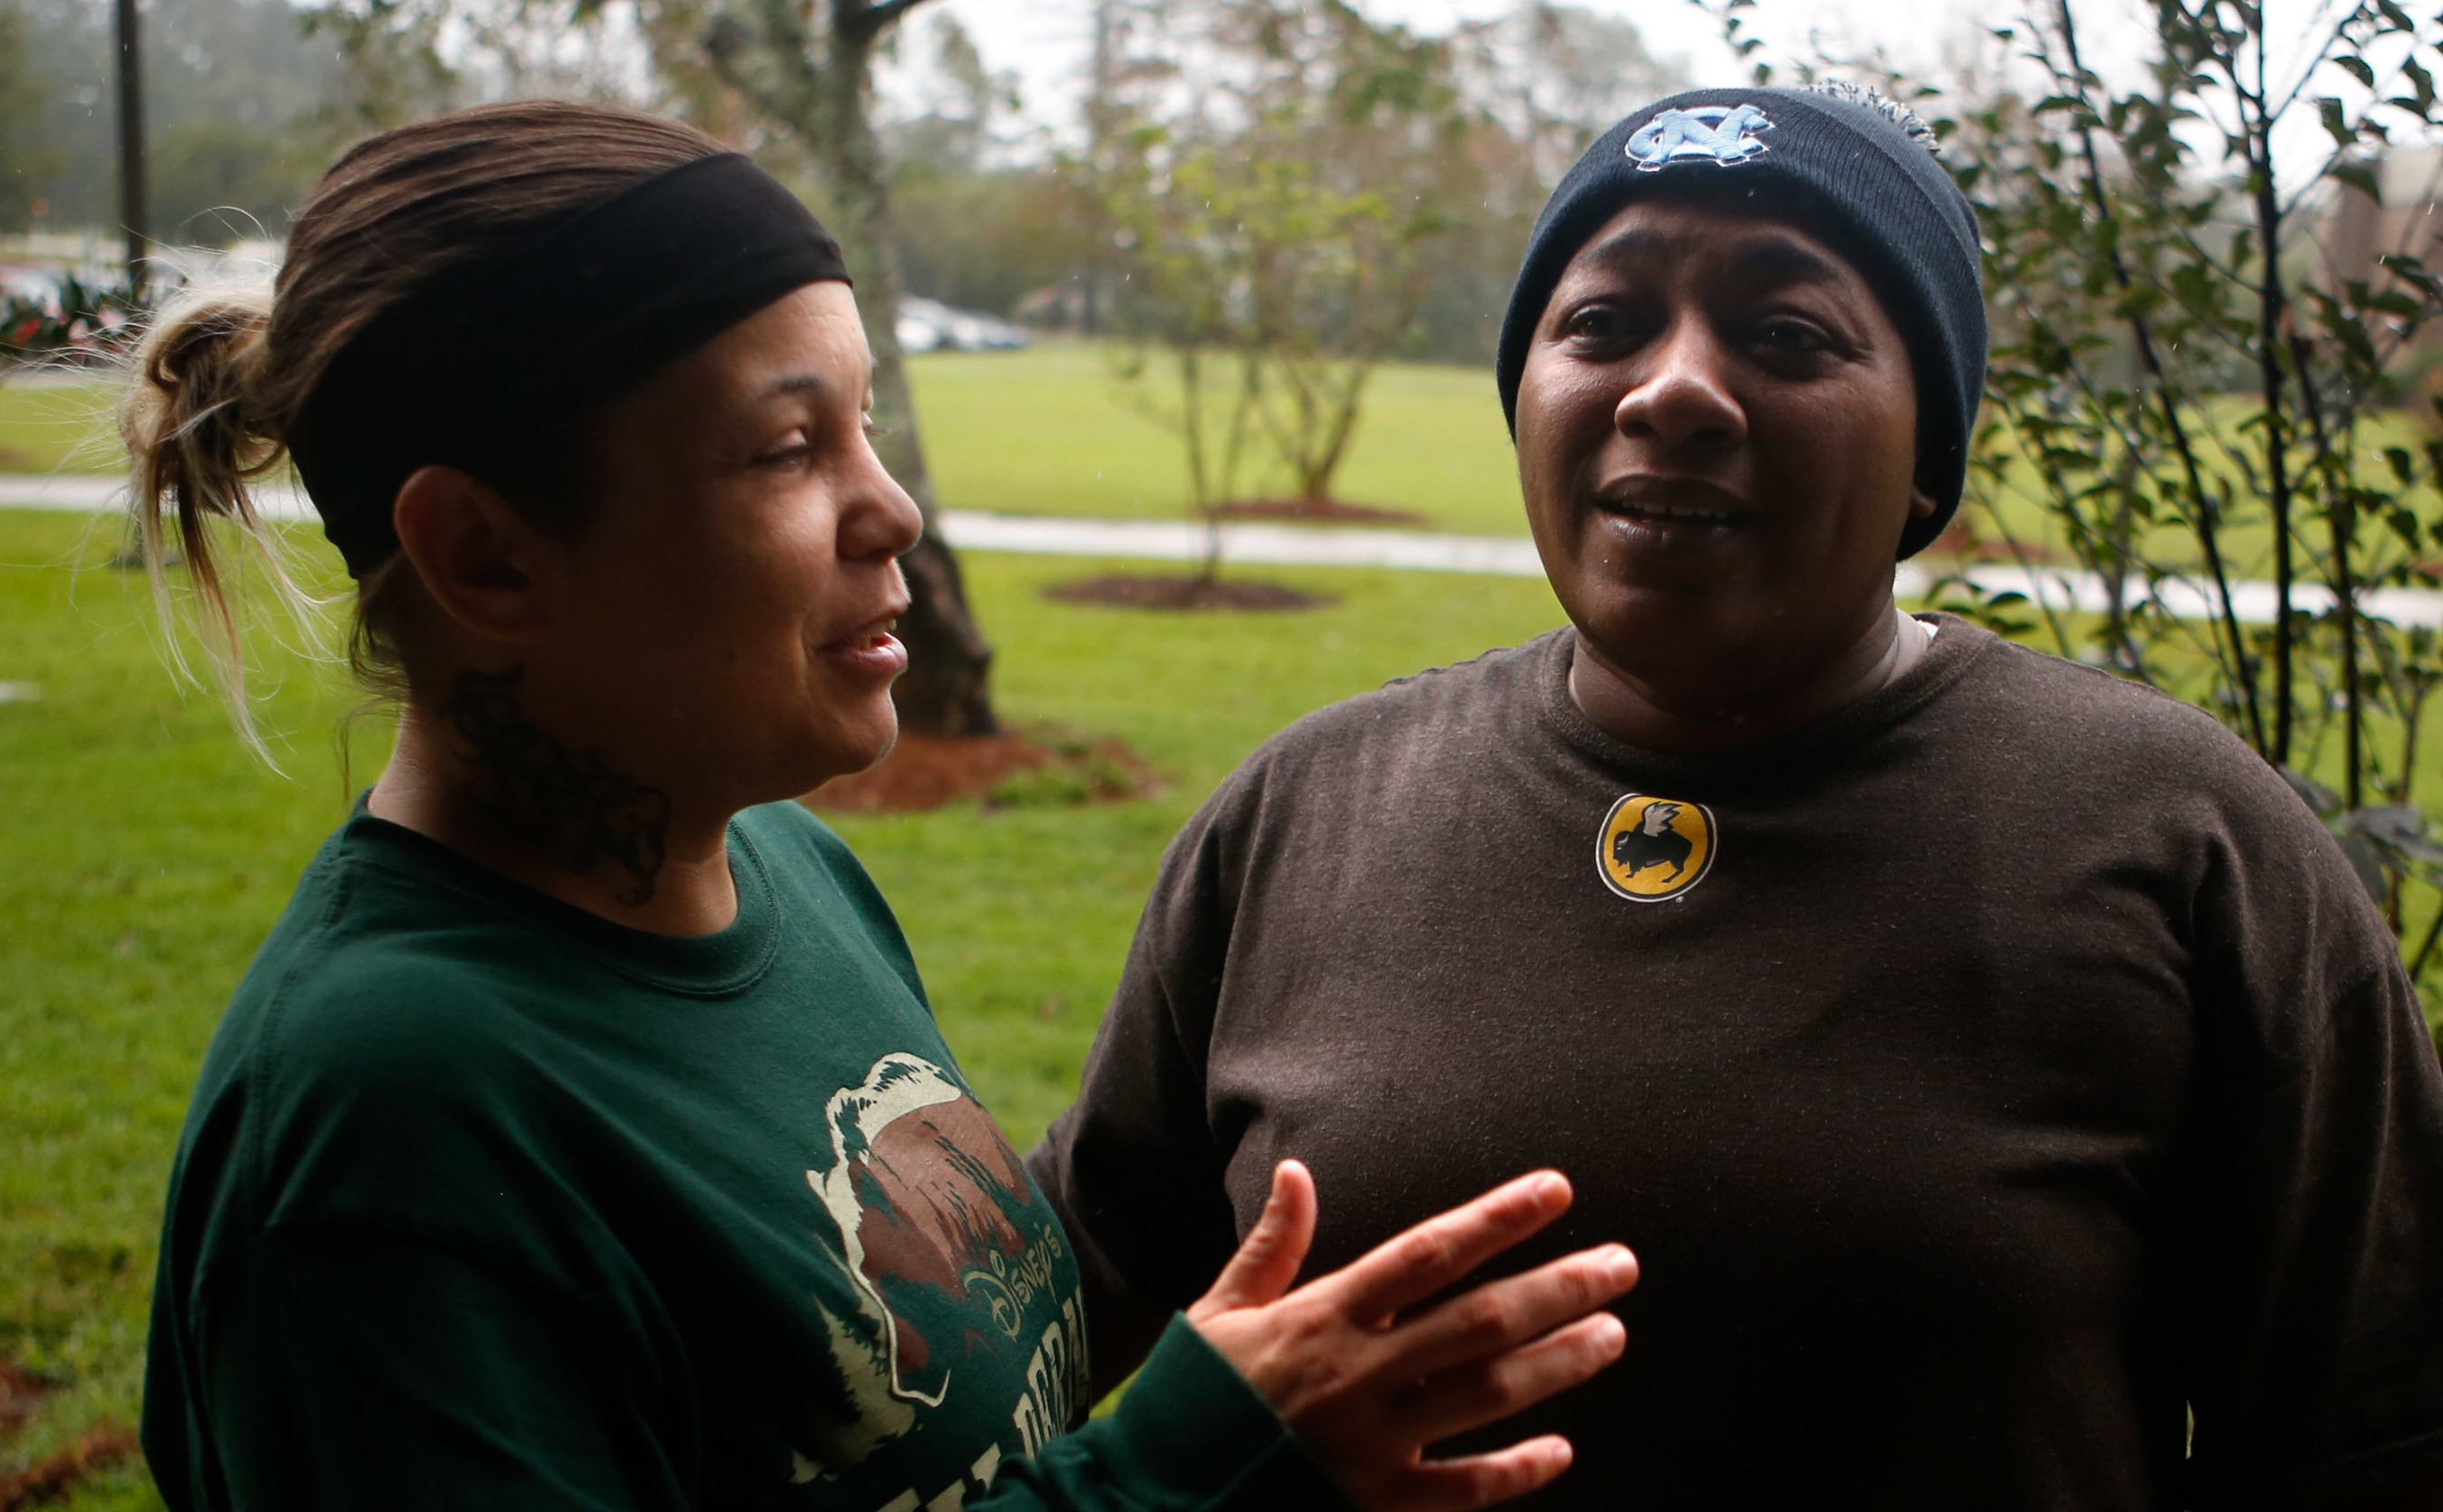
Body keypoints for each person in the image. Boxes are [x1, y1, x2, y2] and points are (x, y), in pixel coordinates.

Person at [128, 100, 1641, 1512]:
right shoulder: (386, 1138)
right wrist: (1186, 1469)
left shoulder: (790, 869)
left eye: (864, 422)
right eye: (789, 448)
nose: (893, 508)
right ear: (485, 553)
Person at [1029, 86, 2443, 1509]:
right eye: (1603, 322)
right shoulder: (1305, 812)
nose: (1672, 387)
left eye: (1788, 332)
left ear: (1929, 453)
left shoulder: (2188, 846)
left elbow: (2373, 1463)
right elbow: (1029, 1325)